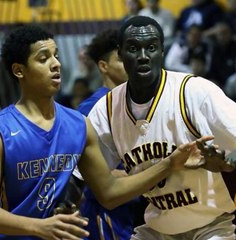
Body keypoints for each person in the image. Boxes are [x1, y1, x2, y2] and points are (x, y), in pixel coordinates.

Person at [0, 24, 212, 240]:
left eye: (56, 55)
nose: (56, 64)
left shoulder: (79, 125)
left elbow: (109, 192)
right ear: (19, 70)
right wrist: (38, 227)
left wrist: (169, 164)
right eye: (43, 58)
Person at [85, 16, 236, 240]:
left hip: (219, 223)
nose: (144, 56)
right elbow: (85, 179)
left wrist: (228, 162)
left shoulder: (194, 90)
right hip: (160, 229)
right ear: (121, 53)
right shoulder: (105, 109)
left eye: (152, 48)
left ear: (162, 51)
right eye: (134, 49)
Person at [76, 28, 141, 240]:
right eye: (122, 59)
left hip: (139, 207)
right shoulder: (91, 108)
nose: (131, 63)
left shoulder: (139, 104)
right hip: (106, 213)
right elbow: (86, 173)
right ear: (104, 66)